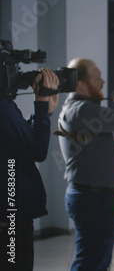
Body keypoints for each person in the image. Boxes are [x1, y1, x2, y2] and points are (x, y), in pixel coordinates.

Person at [57, 58, 114, 271]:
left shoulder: (84, 109)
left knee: (98, 262)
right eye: (97, 77)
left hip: (98, 198)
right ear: (80, 83)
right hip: (92, 200)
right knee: (89, 263)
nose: (102, 82)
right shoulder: (80, 110)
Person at [0, 68, 59, 270]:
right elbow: (38, 150)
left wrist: (43, 112)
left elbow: (19, 142)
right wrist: (41, 103)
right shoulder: (3, 108)